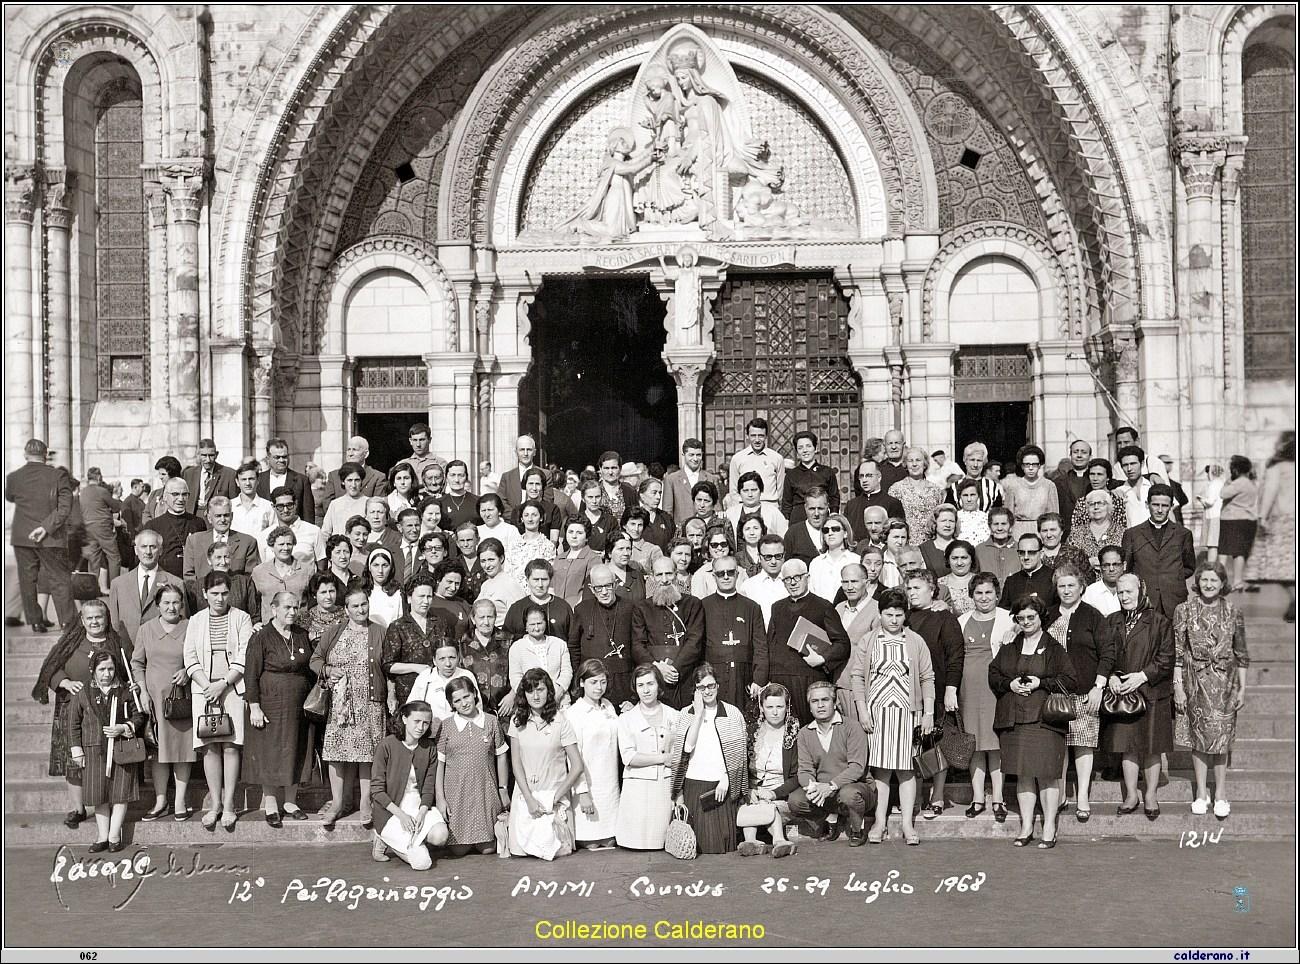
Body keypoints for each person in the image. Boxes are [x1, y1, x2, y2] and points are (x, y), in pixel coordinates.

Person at [989, 595, 1076, 848]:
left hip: (1045, 720)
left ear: (1040, 618)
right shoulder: (1009, 647)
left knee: (1048, 775)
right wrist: (1010, 684)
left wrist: (1042, 683)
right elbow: (993, 674)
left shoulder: (1054, 648)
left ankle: (1049, 826)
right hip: (1015, 720)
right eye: (1021, 618)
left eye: (1031, 617)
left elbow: (1070, 680)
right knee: (1023, 774)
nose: (1026, 622)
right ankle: (1026, 826)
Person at [33, 600, 128, 831]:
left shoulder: (116, 643)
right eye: (90, 618)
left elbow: (126, 671)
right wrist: (64, 682)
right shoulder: (71, 641)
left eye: (99, 617)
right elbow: (52, 667)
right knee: (74, 761)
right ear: (82, 620)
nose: (95, 622)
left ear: (106, 619)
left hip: (106, 712)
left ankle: (104, 806)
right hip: (72, 707)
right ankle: (78, 809)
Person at [851, 588, 934, 844]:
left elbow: (927, 677)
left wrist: (928, 712)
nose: (894, 620)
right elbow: (858, 677)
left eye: (899, 615)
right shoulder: (869, 640)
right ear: (880, 614)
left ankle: (908, 825)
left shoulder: (916, 641)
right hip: (877, 713)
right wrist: (862, 710)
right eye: (889, 615)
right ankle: (879, 822)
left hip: (908, 713)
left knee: (907, 770)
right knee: (882, 771)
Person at [1173, 561, 1250, 819]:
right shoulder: (1184, 610)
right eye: (1204, 580)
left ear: (1222, 583)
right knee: (1199, 739)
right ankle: (1201, 793)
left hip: (1226, 684)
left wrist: (1242, 689)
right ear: (1198, 582)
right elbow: (1177, 653)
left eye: (1214, 581)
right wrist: (1178, 687)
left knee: (1221, 740)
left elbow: (1242, 653)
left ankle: (1221, 795)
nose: (1208, 585)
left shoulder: (1233, 611)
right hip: (1195, 681)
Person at [312, 583, 388, 830]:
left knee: (368, 753)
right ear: (345, 609)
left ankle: (365, 802)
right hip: (340, 702)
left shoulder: (379, 631)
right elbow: (315, 660)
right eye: (354, 606)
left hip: (369, 701)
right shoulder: (333, 631)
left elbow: (386, 666)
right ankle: (337, 802)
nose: (360, 610)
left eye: (364, 604)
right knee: (336, 752)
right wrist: (328, 670)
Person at [184, 570, 254, 833]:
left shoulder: (241, 617)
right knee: (210, 747)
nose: (220, 598)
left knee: (231, 746)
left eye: (224, 593)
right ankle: (214, 805)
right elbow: (190, 657)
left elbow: (244, 654)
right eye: (214, 593)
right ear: (204, 594)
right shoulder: (196, 620)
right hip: (204, 690)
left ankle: (229, 805)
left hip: (232, 688)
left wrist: (224, 683)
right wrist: (207, 687)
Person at [1043, 564, 1115, 823]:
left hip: (1086, 692)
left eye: (1071, 585)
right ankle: (1060, 793)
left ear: (1082, 587)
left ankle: (1082, 796)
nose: (1066, 590)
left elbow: (1107, 652)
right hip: (1054, 693)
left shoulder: (1093, 616)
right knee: (1058, 746)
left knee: (1083, 746)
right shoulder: (1047, 615)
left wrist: (1099, 686)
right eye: (1061, 585)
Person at [1103, 573, 1175, 820]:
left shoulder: (1160, 622)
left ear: (1141, 591)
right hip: (1123, 692)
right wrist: (1111, 675)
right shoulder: (1112, 621)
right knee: (1127, 746)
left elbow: (1166, 658)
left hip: (1151, 691)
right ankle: (1131, 794)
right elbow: (1105, 654)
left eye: (1129, 592)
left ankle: (1151, 795)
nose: (1124, 597)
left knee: (1152, 747)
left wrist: (1142, 676)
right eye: (1120, 592)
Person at [242, 591, 316, 827]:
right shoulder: (261, 636)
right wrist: (254, 706)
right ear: (273, 609)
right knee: (271, 753)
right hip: (270, 703)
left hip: (298, 704)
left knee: (296, 749)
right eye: (286, 608)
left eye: (295, 607)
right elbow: (250, 675)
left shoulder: (302, 635)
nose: (292, 612)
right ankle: (271, 803)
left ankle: (291, 802)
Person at [67, 650, 146, 852]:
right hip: (93, 750)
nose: (107, 673)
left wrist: (123, 728)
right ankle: (102, 836)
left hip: (121, 749)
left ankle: (114, 835)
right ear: (93, 670)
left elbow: (138, 717)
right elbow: (73, 723)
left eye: (111, 668)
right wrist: (77, 750)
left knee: (120, 794)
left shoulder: (125, 691)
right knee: (98, 795)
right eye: (102, 669)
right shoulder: (83, 692)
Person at [757, 560, 851, 725]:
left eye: (798, 577)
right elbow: (769, 645)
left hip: (809, 679)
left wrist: (822, 658)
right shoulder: (777, 608)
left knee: (808, 729)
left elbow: (843, 644)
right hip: (780, 679)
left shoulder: (823, 606)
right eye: (788, 579)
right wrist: (767, 678)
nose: (793, 583)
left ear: (807, 577)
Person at [130, 585, 194, 821]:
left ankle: (180, 801)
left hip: (181, 699)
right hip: (155, 700)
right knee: (158, 751)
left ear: (182, 604)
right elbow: (137, 663)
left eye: (176, 602)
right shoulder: (146, 629)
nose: (171, 607)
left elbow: (199, 655)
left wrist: (188, 670)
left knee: (181, 750)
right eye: (166, 603)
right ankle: (160, 801)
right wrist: (143, 692)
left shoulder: (190, 627)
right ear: (157, 605)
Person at [507, 668, 585, 859]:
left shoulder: (561, 721)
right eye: (530, 691)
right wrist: (529, 799)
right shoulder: (517, 720)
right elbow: (516, 764)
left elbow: (577, 766)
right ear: (524, 694)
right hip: (525, 797)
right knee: (522, 854)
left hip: (554, 797)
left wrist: (554, 799)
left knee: (558, 853)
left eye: (540, 689)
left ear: (549, 691)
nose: (535, 696)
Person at [903, 570, 963, 818]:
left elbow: (955, 655)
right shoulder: (903, 617)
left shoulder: (944, 618)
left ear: (932, 590)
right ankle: (914, 797)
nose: (912, 593)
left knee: (937, 743)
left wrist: (951, 688)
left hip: (937, 691)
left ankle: (937, 796)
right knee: (912, 746)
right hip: (907, 693)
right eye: (909, 589)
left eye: (917, 588)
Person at [786, 679, 875, 846]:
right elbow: (804, 770)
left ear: (835, 703)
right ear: (810, 707)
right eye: (815, 701)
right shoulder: (805, 733)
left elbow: (857, 767)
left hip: (856, 787)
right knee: (795, 800)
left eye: (825, 700)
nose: (820, 705)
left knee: (849, 795)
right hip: (824, 790)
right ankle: (830, 819)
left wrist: (831, 786)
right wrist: (814, 787)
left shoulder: (852, 727)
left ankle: (857, 829)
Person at [673, 663, 749, 853]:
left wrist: (726, 778)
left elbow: (739, 754)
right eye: (702, 688)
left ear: (718, 686)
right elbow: (686, 748)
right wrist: (698, 715)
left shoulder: (732, 714)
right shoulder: (686, 713)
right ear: (696, 690)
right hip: (694, 785)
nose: (707, 691)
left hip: (721, 787)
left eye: (711, 686)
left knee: (720, 847)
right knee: (695, 847)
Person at [957, 573, 1013, 822]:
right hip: (969, 687)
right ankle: (978, 798)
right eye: (978, 593)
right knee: (975, 743)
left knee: (996, 743)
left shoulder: (1009, 618)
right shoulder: (961, 621)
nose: (984, 597)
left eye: (989, 592)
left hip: (996, 688)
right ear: (971, 596)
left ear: (997, 594)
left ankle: (999, 798)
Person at [435, 676, 509, 856]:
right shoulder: (446, 726)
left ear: (475, 694)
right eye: (457, 700)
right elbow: (439, 764)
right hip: (456, 794)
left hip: (485, 793)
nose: (464, 703)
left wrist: (503, 790)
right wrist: (440, 798)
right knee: (458, 850)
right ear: (451, 704)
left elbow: (501, 757)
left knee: (488, 849)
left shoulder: (491, 721)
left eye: (466, 697)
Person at [372, 700, 449, 867]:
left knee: (441, 836)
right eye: (416, 721)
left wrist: (421, 814)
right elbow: (377, 791)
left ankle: (408, 841)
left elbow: (428, 788)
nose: (421, 727)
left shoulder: (429, 748)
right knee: (422, 863)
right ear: (404, 718)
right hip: (391, 811)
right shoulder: (387, 745)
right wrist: (402, 817)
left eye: (426, 723)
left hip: (418, 806)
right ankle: (384, 835)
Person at [615, 664, 685, 850]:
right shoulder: (626, 719)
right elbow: (628, 757)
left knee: (662, 844)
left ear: (659, 686)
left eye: (650, 684)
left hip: (664, 788)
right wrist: (662, 759)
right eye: (640, 685)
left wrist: (679, 795)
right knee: (634, 847)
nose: (646, 690)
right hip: (636, 791)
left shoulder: (674, 716)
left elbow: (679, 754)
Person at [632, 557, 705, 709]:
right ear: (652, 576)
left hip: (684, 676)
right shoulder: (642, 608)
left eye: (669, 574)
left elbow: (695, 641)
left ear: (676, 574)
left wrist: (674, 669)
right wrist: (657, 668)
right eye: (659, 575)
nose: (664, 580)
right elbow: (638, 645)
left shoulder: (692, 604)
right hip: (654, 678)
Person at [739, 683, 801, 857]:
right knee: (750, 803)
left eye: (779, 707)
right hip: (752, 792)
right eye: (770, 707)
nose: (775, 712)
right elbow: (740, 766)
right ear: (761, 707)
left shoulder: (794, 736)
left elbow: (797, 777)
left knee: (769, 805)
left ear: (786, 707)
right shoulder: (751, 733)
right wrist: (747, 789)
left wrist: (774, 793)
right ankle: (751, 842)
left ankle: (780, 841)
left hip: (779, 794)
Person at [565, 660, 622, 849]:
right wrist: (582, 793)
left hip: (610, 790)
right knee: (592, 846)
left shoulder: (608, 707)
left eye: (603, 682)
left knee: (611, 842)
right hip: (589, 789)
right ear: (581, 683)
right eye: (594, 682)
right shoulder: (574, 713)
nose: (599, 687)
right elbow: (573, 757)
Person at [1121, 484, 1196, 621]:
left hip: (1173, 600)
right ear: (1147, 504)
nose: (1160, 510)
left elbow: (1189, 567)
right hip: (1144, 600)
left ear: (1171, 506)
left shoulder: (1183, 534)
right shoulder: (1132, 534)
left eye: (1165, 506)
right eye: (1155, 505)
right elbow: (1128, 569)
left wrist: (1171, 578)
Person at [700, 556, 765, 710]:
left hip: (743, 678)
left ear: (737, 574)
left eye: (730, 572)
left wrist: (759, 679)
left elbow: (760, 646)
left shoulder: (751, 607)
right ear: (714, 576)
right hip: (712, 676)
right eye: (721, 573)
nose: (726, 577)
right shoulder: (703, 606)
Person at [567, 565, 636, 710]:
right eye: (599, 587)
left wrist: (634, 695)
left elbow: (637, 647)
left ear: (615, 584)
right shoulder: (582, 610)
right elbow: (573, 647)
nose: (604, 592)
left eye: (608, 586)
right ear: (591, 589)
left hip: (623, 684)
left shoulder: (630, 608)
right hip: (592, 683)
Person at [382, 572, 453, 709]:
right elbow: (388, 665)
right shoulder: (398, 626)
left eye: (429, 596)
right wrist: (415, 667)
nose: (426, 601)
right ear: (409, 598)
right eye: (421, 596)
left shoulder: (440, 624)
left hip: (438, 690)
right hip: (409, 692)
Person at [1246, 431, 1295, 622]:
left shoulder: (1278, 468)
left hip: (1283, 521)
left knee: (1281, 568)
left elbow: (1270, 491)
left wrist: (1262, 516)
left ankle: (1294, 601)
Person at [107, 528, 185, 647]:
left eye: (153, 547)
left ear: (160, 550)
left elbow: (181, 626)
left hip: (161, 652)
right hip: (128, 653)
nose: (148, 552)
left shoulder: (175, 583)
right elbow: (114, 625)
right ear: (136, 550)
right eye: (143, 546)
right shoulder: (118, 584)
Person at [182, 496, 260, 583]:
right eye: (218, 516)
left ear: (232, 516)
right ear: (209, 518)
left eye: (226, 515)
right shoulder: (193, 541)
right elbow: (189, 577)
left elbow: (250, 577)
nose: (222, 520)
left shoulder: (248, 542)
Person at [459, 598, 514, 718]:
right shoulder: (462, 643)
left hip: (504, 709)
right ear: (473, 619)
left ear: (495, 617)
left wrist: (512, 695)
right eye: (481, 617)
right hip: (473, 710)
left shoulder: (509, 640)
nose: (486, 622)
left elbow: (520, 671)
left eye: (490, 617)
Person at [510, 604, 574, 704]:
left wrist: (557, 694)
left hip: (559, 700)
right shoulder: (517, 647)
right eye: (532, 624)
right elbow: (515, 676)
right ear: (525, 625)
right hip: (530, 701)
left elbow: (566, 672)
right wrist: (531, 696)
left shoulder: (559, 644)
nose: (536, 628)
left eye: (539, 623)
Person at [249, 525, 313, 625]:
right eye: (281, 544)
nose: (286, 548)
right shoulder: (259, 572)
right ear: (271, 546)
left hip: (299, 628)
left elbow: (313, 602)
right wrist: (255, 623)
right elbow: (253, 603)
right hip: (269, 629)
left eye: (289, 544)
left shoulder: (307, 570)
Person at [1215, 456, 1258, 591]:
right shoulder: (1251, 483)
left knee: (1223, 551)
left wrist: (1228, 481)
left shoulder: (1238, 483)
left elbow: (1223, 494)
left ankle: (1221, 581)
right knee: (1238, 552)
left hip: (1232, 520)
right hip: (1248, 519)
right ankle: (1238, 582)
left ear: (1235, 469)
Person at [407, 642, 478, 720]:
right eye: (442, 659)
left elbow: (477, 707)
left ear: (458, 658)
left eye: (452, 657)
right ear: (434, 661)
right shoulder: (425, 677)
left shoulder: (466, 675)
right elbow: (412, 709)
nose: (448, 664)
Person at [1000, 445, 1060, 538]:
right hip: (1018, 531)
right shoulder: (1013, 485)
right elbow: (1008, 515)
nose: (1031, 468)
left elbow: (1054, 515)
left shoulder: (1049, 485)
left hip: (1041, 532)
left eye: (1034, 464)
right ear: (1022, 466)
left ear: (1039, 465)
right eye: (1027, 464)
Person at [258, 486, 324, 567]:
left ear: (295, 504)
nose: (285, 510)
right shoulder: (264, 535)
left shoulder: (314, 531)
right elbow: (262, 566)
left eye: (289, 505)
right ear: (273, 507)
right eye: (280, 507)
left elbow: (322, 566)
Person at [79, 468, 122, 594]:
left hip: (88, 528)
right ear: (98, 477)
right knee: (114, 556)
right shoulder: (102, 491)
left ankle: (92, 589)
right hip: (103, 527)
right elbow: (115, 506)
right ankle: (116, 588)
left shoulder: (83, 492)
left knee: (94, 559)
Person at [255, 438, 315, 527]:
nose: (281, 460)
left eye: (284, 456)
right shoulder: (258, 480)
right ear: (268, 458)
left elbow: (308, 514)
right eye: (277, 457)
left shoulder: (301, 480)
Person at [843, 460, 905, 544]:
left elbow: (899, 534)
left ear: (879, 477)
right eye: (861, 476)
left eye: (869, 476)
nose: (864, 480)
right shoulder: (851, 504)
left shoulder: (892, 503)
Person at [730, 418, 786, 508]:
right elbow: (734, 490)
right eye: (753, 435)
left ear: (766, 436)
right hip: (745, 508)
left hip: (770, 506)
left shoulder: (777, 458)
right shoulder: (737, 458)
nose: (757, 440)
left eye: (760, 436)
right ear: (747, 436)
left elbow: (781, 489)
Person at [322, 437, 388, 511]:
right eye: (348, 449)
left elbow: (378, 506)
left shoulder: (377, 477)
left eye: (354, 450)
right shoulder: (334, 476)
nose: (350, 454)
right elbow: (327, 505)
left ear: (365, 454)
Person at [662, 439, 720, 521]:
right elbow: (667, 512)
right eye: (691, 455)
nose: (695, 459)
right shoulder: (671, 479)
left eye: (698, 455)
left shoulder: (712, 479)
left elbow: (717, 510)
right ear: (683, 454)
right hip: (682, 530)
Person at [808, 513, 860, 602]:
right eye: (826, 530)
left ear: (845, 534)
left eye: (835, 529)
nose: (830, 533)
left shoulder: (856, 560)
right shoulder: (816, 563)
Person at [504, 500, 557, 585]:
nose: (530, 519)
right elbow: (507, 574)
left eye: (534, 515)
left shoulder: (548, 546)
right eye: (526, 515)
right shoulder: (512, 546)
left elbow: (550, 577)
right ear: (521, 518)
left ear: (541, 518)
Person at [726, 470, 789, 540]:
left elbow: (784, 537)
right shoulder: (730, 513)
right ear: (739, 492)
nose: (750, 495)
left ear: (761, 490)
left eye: (753, 490)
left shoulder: (773, 512)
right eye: (745, 491)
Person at [1000, 533, 1058, 609]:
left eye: (1031, 553)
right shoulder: (1011, 581)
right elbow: (1003, 613)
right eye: (1022, 553)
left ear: (1041, 554)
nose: (1026, 557)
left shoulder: (1054, 577)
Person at [741, 534, 789, 624]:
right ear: (759, 557)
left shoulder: (794, 583)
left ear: (784, 555)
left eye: (778, 556)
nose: (773, 562)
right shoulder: (748, 586)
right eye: (768, 557)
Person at [553, 518, 602, 607]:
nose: (574, 536)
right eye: (570, 532)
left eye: (579, 533)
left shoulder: (593, 559)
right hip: (556, 610)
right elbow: (552, 587)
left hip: (578, 610)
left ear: (587, 537)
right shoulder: (559, 559)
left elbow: (590, 591)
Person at [944, 442, 1004, 511]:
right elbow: (948, 512)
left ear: (984, 462)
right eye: (972, 460)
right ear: (965, 460)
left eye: (979, 460)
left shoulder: (993, 486)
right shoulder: (955, 486)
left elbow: (999, 513)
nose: (975, 465)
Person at [1054, 439, 1095, 537]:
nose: (1079, 455)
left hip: (1092, 534)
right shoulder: (1058, 482)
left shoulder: (1097, 480)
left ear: (1090, 457)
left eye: (1084, 452)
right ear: (1070, 456)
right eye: (1075, 452)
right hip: (1066, 535)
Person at [498, 435, 543, 519]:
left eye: (529, 450)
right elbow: (501, 502)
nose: (525, 454)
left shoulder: (545, 474)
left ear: (535, 452)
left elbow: (547, 502)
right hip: (512, 523)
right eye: (522, 450)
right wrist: (518, 518)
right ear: (516, 452)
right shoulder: (507, 477)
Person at [782, 487, 831, 566]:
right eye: (811, 509)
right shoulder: (793, 533)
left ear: (828, 507)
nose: (816, 514)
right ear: (805, 508)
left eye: (820, 508)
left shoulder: (835, 530)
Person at [1115, 445, 1156, 527]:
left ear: (1142, 464)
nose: (1129, 469)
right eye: (1125, 465)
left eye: (1133, 464)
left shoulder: (1153, 486)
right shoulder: (1119, 492)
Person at [937, 540, 980, 615]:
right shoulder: (939, 584)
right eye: (955, 558)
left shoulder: (981, 582)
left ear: (971, 559)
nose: (959, 563)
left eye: (964, 558)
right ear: (948, 560)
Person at [1082, 545, 1126, 617]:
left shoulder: (1132, 591)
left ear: (1124, 565)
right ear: (1100, 567)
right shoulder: (1091, 592)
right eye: (1106, 565)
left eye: (1116, 565)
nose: (1111, 569)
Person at [636, 476, 677, 552]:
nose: (658, 497)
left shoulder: (666, 518)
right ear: (642, 495)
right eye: (654, 493)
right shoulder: (635, 517)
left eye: (660, 493)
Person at [438, 460, 480, 531]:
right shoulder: (439, 503)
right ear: (446, 478)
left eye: (461, 475)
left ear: (466, 477)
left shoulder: (478, 501)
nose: (456, 480)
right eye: (452, 475)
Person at [918, 504, 959, 577]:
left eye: (951, 521)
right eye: (943, 521)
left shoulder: (963, 547)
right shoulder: (923, 549)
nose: (948, 525)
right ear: (934, 523)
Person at [954, 479, 991, 548]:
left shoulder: (987, 518)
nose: (969, 499)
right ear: (959, 497)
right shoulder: (955, 517)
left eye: (972, 495)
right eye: (965, 495)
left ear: (978, 496)